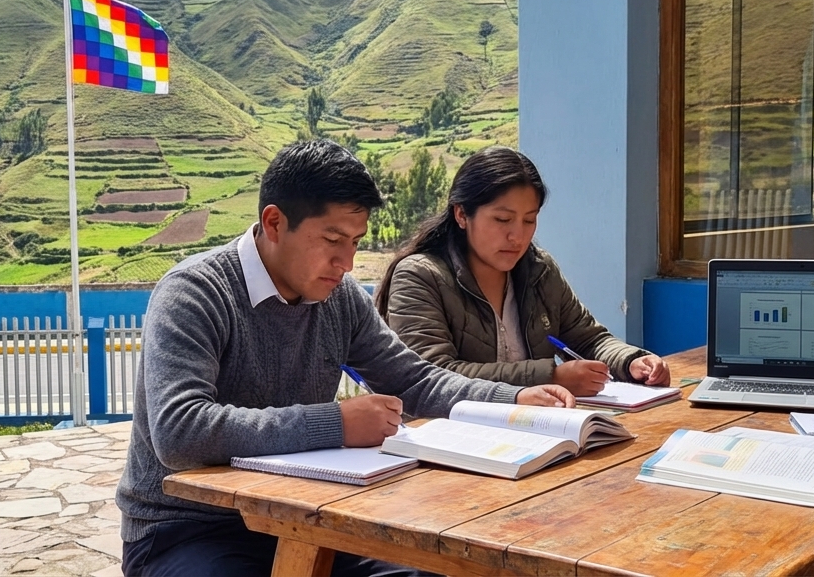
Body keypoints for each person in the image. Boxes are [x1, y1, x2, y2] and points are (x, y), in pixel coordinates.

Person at [117, 140, 575, 577]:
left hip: (303, 516)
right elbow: (179, 432)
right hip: (188, 529)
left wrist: (511, 400)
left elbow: (416, 381)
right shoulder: (195, 293)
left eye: (355, 242)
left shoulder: (339, 298)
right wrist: (336, 423)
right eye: (332, 239)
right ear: (274, 223)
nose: (347, 263)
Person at [374, 146, 668, 396]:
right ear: (462, 214)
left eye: (529, 220)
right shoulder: (419, 277)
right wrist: (550, 377)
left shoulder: (539, 270)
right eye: (503, 220)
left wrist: (631, 361)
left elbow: (589, 339)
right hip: (450, 440)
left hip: (533, 430)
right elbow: (434, 376)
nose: (518, 236)